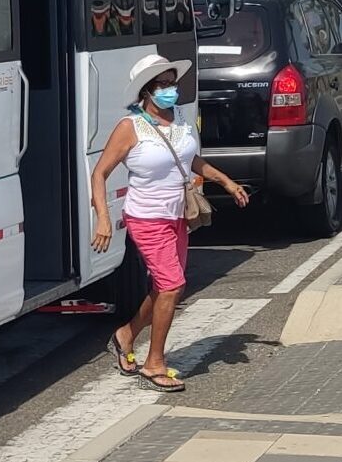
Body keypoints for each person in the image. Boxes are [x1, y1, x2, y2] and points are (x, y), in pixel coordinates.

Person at [91, 52, 250, 392]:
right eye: (162, 85)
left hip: (177, 214)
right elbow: (99, 173)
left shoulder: (179, 119)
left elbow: (192, 161)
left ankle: (125, 335)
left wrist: (226, 182)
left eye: (172, 83)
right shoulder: (129, 128)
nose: (170, 90)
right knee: (172, 286)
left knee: (167, 287)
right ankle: (154, 363)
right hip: (146, 217)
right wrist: (103, 218)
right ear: (145, 92)